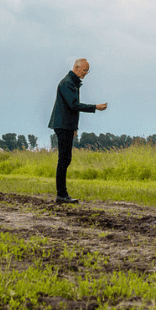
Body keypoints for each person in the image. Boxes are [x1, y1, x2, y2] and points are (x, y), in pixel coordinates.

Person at [48, 58, 107, 203]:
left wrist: (75, 127)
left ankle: (62, 194)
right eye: (84, 70)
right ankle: (61, 195)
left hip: (67, 125)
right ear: (76, 67)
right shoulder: (67, 83)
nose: (86, 73)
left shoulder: (73, 83)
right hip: (62, 125)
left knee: (66, 159)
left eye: (87, 70)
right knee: (64, 159)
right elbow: (74, 105)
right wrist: (95, 107)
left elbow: (72, 109)